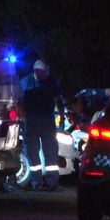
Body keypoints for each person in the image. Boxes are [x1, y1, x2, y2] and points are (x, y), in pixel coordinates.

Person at [18, 59, 65, 191]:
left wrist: (61, 117)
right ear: (37, 71)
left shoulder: (51, 81)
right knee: (32, 153)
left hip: (47, 121)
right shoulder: (25, 82)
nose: (46, 75)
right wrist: (24, 119)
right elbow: (18, 102)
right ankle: (36, 181)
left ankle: (52, 182)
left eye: (47, 72)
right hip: (31, 122)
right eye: (44, 72)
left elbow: (59, 100)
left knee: (50, 151)